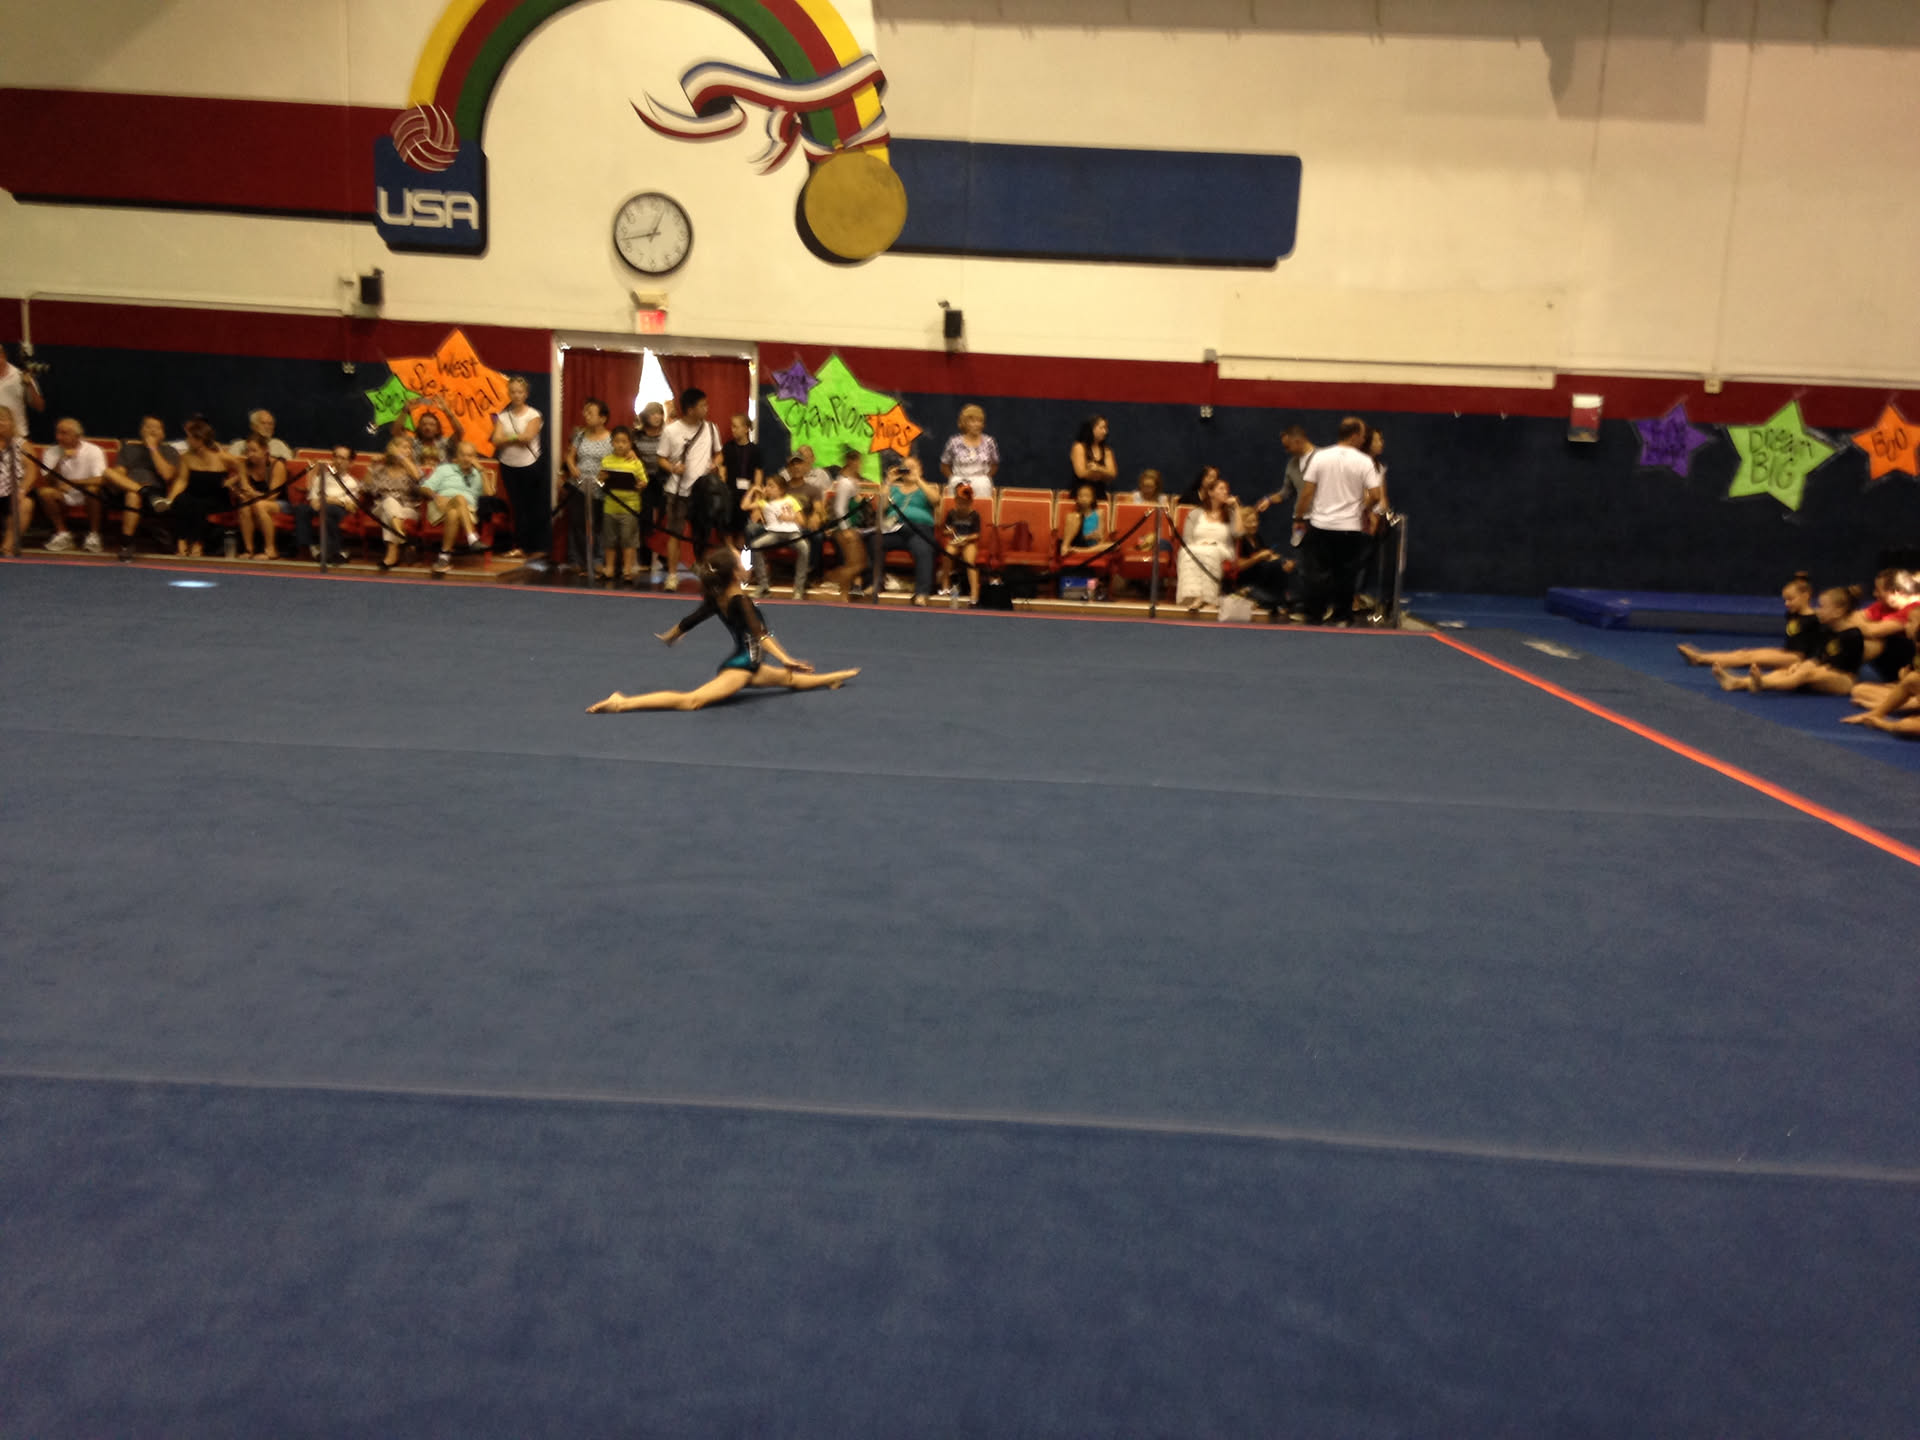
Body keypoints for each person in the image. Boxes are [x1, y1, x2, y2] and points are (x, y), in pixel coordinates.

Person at [586, 547, 858, 713]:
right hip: (742, 668)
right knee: (691, 701)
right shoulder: (740, 601)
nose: (747, 566)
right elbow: (760, 634)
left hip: (748, 663)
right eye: (742, 563)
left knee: (790, 680)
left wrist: (671, 635)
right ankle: (621, 702)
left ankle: (833, 678)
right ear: (735, 574)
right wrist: (786, 658)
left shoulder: (719, 598)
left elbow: (690, 620)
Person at [1294, 418, 1383, 625]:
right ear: (1354, 436)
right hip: (1349, 528)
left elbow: (1307, 493)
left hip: (1320, 525)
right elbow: (1376, 495)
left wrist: (1299, 518)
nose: (1364, 440)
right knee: (1346, 574)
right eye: (1362, 436)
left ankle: (1315, 616)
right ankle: (1342, 617)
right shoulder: (1364, 461)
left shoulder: (1320, 457)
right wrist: (1364, 508)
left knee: (1316, 574)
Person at [1719, 586, 1868, 695]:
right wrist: (1800, 665)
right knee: (1787, 671)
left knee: (1804, 674)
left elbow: (1838, 666)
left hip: (1844, 679)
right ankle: (1738, 682)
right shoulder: (1825, 630)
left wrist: (1805, 670)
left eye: (1822, 607)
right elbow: (1817, 656)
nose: (1818, 610)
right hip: (1824, 672)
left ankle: (1763, 683)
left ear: (1838, 611)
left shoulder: (1853, 635)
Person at [1677, 574, 1823, 672]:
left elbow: (1820, 645)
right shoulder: (1793, 613)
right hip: (1787, 651)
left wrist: (1807, 665)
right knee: (1744, 653)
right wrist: (1801, 580)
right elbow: (1802, 587)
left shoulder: (1815, 619)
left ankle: (1701, 659)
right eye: (1785, 599)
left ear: (1806, 596)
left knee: (1749, 658)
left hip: (1797, 658)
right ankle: (1701, 656)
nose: (1786, 603)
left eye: (1790, 599)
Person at [33, 417, 135, 556]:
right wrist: (60, 460)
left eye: (64, 433)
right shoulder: (51, 452)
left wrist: (74, 483)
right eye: (57, 432)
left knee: (93, 490)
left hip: (87, 492)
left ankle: (94, 535)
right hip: (62, 494)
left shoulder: (94, 451)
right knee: (45, 492)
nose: (58, 437)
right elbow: (49, 481)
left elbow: (101, 479)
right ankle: (63, 534)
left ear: (77, 436)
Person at [660, 388, 723, 589]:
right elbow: (661, 458)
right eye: (702, 405)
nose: (707, 408)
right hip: (677, 491)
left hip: (702, 490)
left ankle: (702, 569)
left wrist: (715, 464)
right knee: (675, 533)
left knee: (702, 533)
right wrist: (673, 468)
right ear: (689, 409)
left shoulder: (711, 428)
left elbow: (719, 454)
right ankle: (672, 575)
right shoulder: (670, 431)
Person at [163, 416, 244, 558]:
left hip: (216, 497)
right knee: (181, 501)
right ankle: (181, 541)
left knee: (199, 506)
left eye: (190, 437)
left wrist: (233, 481)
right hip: (193, 494)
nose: (187, 440)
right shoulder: (186, 458)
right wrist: (170, 499)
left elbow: (242, 466)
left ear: (199, 440)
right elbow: (182, 481)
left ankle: (197, 543)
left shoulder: (221, 457)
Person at [491, 375, 545, 561]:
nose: (516, 395)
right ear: (509, 393)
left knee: (530, 506)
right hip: (508, 465)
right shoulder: (503, 416)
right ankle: (518, 546)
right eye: (513, 392)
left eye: (520, 392)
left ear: (526, 394)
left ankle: (534, 546)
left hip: (529, 465)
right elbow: (495, 440)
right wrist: (514, 437)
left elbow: (527, 437)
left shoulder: (533, 415)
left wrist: (508, 438)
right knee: (515, 507)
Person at [872, 453, 940, 603]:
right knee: (874, 541)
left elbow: (936, 500)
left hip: (919, 530)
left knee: (924, 549)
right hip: (895, 530)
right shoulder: (894, 489)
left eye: (912, 467)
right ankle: (874, 584)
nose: (908, 470)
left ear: (920, 469)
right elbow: (881, 507)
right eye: (905, 468)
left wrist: (918, 480)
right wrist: (888, 482)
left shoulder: (926, 487)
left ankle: (922, 593)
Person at [561, 399, 613, 576]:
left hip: (600, 487)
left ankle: (598, 561)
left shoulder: (611, 439)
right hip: (579, 485)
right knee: (577, 523)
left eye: (591, 413)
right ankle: (578, 560)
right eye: (586, 412)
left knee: (598, 526)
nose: (586, 416)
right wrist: (572, 467)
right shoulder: (580, 435)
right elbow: (570, 456)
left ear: (602, 418)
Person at [420, 439, 488, 575]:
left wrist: (481, 470)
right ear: (457, 456)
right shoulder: (444, 469)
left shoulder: (478, 474)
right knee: (460, 498)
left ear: (475, 457)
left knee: (455, 509)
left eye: (470, 455)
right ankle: (472, 538)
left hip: (467, 510)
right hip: (440, 505)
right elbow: (424, 488)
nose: (466, 458)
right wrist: (435, 496)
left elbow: (490, 494)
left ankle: (444, 557)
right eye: (463, 455)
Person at [1177, 467, 1239, 614]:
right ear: (1211, 492)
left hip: (1222, 548)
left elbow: (1239, 533)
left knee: (1211, 553)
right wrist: (1199, 544)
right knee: (1186, 553)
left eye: (1227, 489)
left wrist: (1236, 508)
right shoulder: (1195, 513)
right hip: (1197, 546)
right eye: (1221, 489)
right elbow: (1187, 539)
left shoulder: (1230, 513)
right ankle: (1194, 596)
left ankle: (1210, 598)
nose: (1225, 492)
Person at [744, 466, 809, 600]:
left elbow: (802, 521)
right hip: (773, 534)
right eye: (767, 485)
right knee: (755, 546)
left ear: (781, 489)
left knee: (804, 548)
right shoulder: (764, 503)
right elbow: (744, 506)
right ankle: (763, 586)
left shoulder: (791, 500)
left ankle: (799, 588)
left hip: (792, 534)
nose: (767, 488)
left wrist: (790, 518)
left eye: (771, 486)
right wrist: (753, 490)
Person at [360, 435, 424, 570]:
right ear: (393, 449)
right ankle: (402, 536)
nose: (408, 451)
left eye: (410, 448)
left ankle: (392, 554)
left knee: (388, 514)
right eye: (404, 447)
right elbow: (365, 488)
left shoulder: (412, 469)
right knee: (389, 501)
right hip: (381, 506)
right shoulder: (380, 469)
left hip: (409, 509)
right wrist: (371, 467)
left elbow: (419, 478)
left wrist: (402, 458)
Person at [596, 426, 648, 583]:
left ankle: (627, 570)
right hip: (610, 506)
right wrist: (602, 478)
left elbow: (644, 481)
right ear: (612, 443)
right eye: (617, 441)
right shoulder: (606, 460)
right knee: (609, 540)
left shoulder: (635, 462)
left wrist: (641, 485)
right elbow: (600, 481)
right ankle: (609, 569)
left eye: (624, 442)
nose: (620, 445)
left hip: (630, 507)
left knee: (628, 540)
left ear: (630, 444)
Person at [298, 444, 359, 564]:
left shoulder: (352, 483)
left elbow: (351, 506)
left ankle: (332, 550)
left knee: (329, 510)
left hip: (338, 509)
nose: (338, 461)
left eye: (343, 458)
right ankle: (308, 547)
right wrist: (315, 502)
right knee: (301, 509)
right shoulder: (322, 477)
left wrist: (329, 500)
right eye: (336, 457)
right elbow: (313, 496)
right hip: (320, 505)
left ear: (350, 463)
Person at [823, 450, 871, 602]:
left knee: (853, 563)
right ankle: (828, 576)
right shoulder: (844, 483)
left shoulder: (851, 481)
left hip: (851, 527)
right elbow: (839, 508)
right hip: (845, 529)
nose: (861, 465)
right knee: (858, 564)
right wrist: (846, 529)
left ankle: (844, 596)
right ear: (852, 462)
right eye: (859, 462)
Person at [230, 436, 286, 559]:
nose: (250, 454)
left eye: (254, 450)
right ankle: (249, 549)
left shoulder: (277, 465)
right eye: (248, 451)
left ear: (265, 450)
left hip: (279, 503)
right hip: (254, 500)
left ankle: (270, 549)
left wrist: (251, 493)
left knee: (260, 505)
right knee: (244, 506)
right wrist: (241, 492)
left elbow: (272, 496)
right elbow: (243, 488)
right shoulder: (244, 465)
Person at [631, 402, 668, 583]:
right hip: (643, 480)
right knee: (644, 519)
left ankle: (665, 556)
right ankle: (644, 558)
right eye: (653, 413)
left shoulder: (667, 435)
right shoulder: (636, 435)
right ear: (646, 416)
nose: (657, 417)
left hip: (663, 480)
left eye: (659, 413)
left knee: (664, 519)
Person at [0, 407, 38, 558]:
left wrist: (22, 490)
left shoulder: (21, 444)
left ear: (11, 422)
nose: (0, 423)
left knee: (25, 504)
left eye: (3, 419)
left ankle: (6, 548)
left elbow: (31, 470)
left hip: (13, 493)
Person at [941, 404, 1000, 498]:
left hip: (981, 485)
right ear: (964, 423)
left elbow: (995, 464)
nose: (977, 424)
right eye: (972, 421)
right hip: (958, 483)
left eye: (979, 421)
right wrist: (954, 479)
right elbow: (944, 465)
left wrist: (984, 478)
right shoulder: (954, 442)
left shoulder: (989, 442)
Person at [939, 481, 984, 605]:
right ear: (955, 500)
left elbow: (977, 534)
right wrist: (949, 531)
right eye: (960, 502)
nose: (962, 505)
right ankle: (945, 585)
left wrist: (966, 539)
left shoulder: (974, 515)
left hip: (969, 542)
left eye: (965, 503)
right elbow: (945, 530)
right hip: (955, 541)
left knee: (969, 561)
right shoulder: (951, 513)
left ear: (971, 502)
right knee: (947, 554)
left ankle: (974, 592)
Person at [722, 413, 762, 547]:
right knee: (727, 528)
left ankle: (739, 555)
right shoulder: (728, 447)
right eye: (732, 427)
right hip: (730, 494)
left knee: (742, 530)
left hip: (747, 495)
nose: (733, 430)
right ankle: (730, 553)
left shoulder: (755, 450)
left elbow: (758, 474)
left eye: (736, 427)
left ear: (746, 429)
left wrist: (757, 498)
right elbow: (723, 470)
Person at [0, 345, 46, 439]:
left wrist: (29, 385)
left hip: (17, 437)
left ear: (3, 356)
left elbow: (40, 407)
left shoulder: (19, 375)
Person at [1069, 416, 1118, 501]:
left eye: (1106, 428)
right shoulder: (1079, 447)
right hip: (1081, 495)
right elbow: (1081, 473)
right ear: (1091, 429)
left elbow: (1112, 474)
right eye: (1102, 428)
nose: (1105, 431)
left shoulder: (1107, 450)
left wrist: (1098, 468)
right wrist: (1103, 473)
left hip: (1100, 494)